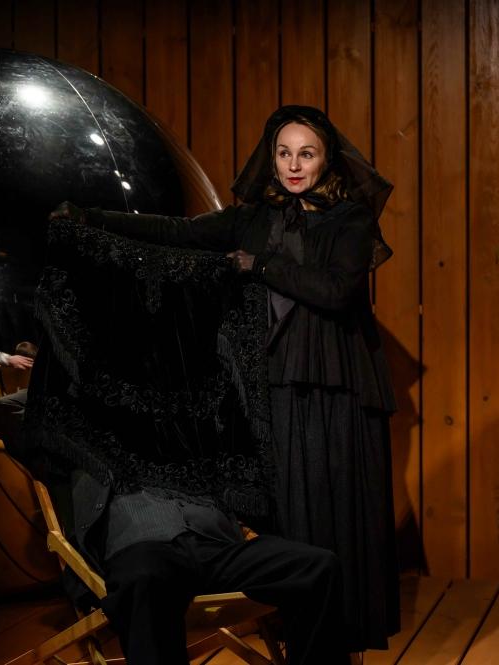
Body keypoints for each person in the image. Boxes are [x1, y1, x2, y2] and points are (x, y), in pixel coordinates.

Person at [51, 105, 399, 652]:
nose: (293, 165)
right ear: (271, 158)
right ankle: (293, 636)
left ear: (326, 160)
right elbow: (179, 233)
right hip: (272, 387)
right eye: (284, 153)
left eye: (306, 154)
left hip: (335, 388)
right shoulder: (252, 218)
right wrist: (93, 219)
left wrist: (258, 265)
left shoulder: (350, 220)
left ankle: (337, 643)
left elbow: (337, 292)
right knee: (288, 511)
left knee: (335, 509)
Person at [0, 222, 350, 665]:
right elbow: (6, 411)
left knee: (319, 566)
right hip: (142, 548)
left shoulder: (183, 404)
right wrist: (74, 382)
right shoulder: (79, 412)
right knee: (145, 579)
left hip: (216, 544)